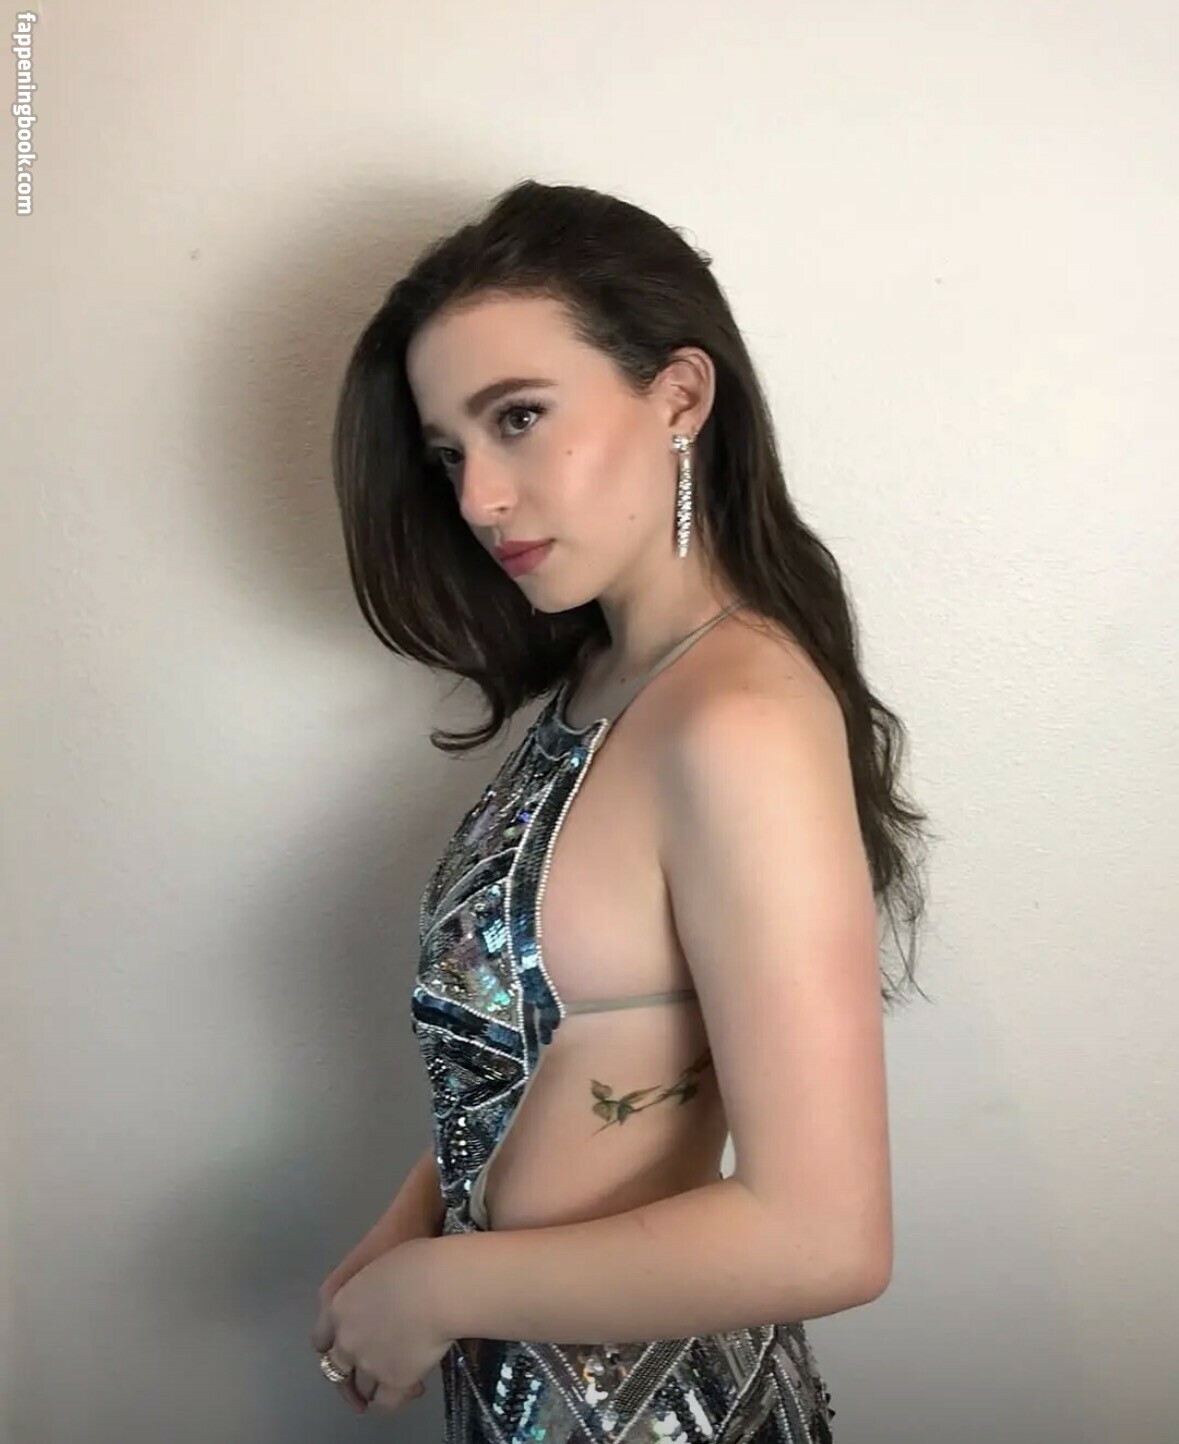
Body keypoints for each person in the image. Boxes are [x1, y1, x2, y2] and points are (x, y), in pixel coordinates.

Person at [310, 179, 930, 1441]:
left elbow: (826, 1232)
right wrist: (416, 1223)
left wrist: (440, 1287)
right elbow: (550, 1046)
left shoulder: (738, 718)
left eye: (519, 418)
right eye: (451, 453)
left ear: (681, 396)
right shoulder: (599, 683)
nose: (479, 497)